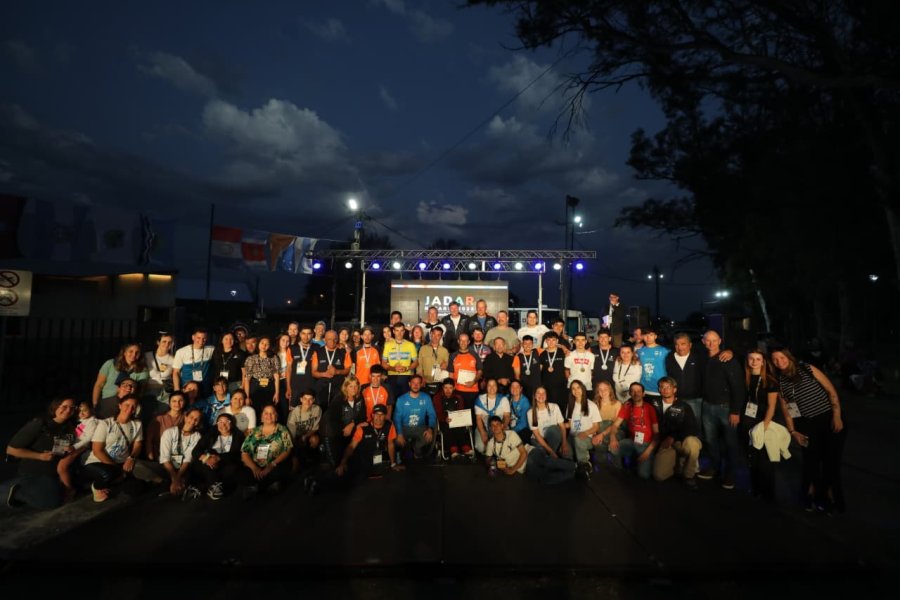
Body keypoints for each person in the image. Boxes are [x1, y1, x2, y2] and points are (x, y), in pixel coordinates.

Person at [771, 346, 846, 513]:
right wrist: (793, 431)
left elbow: (831, 391)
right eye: (775, 359)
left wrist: (837, 415)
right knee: (811, 462)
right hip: (805, 425)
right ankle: (812, 496)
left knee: (831, 463)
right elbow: (788, 410)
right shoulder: (780, 381)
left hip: (828, 419)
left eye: (782, 357)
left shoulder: (807, 368)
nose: (779, 362)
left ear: (789, 357)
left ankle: (832, 498)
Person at [5, 397, 76, 509]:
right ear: (55, 407)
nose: (68, 410)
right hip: (34, 472)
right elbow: (11, 450)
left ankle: (49, 489)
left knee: (68, 492)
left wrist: (69, 449)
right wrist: (40, 456)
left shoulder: (68, 427)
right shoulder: (39, 424)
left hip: (54, 472)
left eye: (72, 408)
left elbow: (59, 450)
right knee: (52, 502)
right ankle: (19, 492)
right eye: (64, 406)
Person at [697, 330, 745, 489]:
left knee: (730, 443)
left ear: (720, 341)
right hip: (707, 405)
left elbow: (738, 387)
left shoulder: (727, 359)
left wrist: (735, 411)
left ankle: (730, 474)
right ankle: (714, 468)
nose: (711, 343)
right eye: (708, 340)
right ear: (703, 342)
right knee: (710, 441)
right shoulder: (703, 358)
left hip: (726, 408)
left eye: (714, 340)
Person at [83, 395, 143, 502]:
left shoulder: (137, 424)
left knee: (136, 489)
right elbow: (97, 450)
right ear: (120, 405)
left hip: (122, 462)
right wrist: (118, 469)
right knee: (108, 474)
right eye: (127, 405)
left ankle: (114, 482)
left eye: (133, 406)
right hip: (98, 461)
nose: (130, 409)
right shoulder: (106, 423)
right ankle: (96, 486)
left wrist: (131, 457)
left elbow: (137, 444)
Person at [742, 350, 780, 501]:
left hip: (764, 421)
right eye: (751, 358)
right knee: (752, 457)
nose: (754, 362)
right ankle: (755, 489)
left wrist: (764, 426)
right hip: (748, 420)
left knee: (765, 458)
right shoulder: (745, 377)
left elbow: (772, 406)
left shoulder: (769, 381)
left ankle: (768, 493)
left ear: (763, 362)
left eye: (758, 359)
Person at [651, 377, 702, 487]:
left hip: (679, 441)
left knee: (693, 443)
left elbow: (691, 428)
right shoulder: (654, 403)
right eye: (662, 387)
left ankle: (689, 475)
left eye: (668, 387)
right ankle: (677, 462)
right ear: (659, 389)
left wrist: (673, 437)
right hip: (664, 443)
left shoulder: (684, 406)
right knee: (659, 475)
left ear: (674, 389)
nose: (665, 390)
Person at [146, 407, 203, 499]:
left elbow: (188, 459)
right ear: (186, 417)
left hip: (183, 469)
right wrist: (174, 478)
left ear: (199, 423)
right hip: (166, 468)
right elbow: (164, 457)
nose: (193, 421)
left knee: (186, 480)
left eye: (196, 419)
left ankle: (174, 486)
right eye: (191, 417)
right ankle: (165, 482)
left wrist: (178, 477)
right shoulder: (170, 432)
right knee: (138, 466)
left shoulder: (197, 436)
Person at [239, 405, 293, 497]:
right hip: (256, 466)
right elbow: (244, 453)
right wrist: (254, 467)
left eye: (272, 413)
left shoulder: (282, 430)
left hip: (274, 465)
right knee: (241, 473)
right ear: (262, 417)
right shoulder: (254, 431)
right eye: (266, 413)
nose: (269, 415)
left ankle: (257, 487)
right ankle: (266, 485)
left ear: (276, 417)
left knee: (284, 468)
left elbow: (287, 450)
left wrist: (271, 465)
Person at [609, 383, 659, 479]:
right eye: (633, 391)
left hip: (646, 444)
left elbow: (657, 434)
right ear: (630, 393)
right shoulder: (627, 406)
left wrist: (647, 452)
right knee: (613, 448)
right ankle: (619, 472)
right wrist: (612, 438)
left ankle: (642, 461)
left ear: (643, 394)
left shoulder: (650, 408)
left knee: (643, 475)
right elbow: (615, 425)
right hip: (632, 441)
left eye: (638, 391)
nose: (636, 393)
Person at [191, 412, 246, 500]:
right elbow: (196, 451)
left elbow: (237, 455)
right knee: (200, 464)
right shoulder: (211, 434)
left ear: (232, 424)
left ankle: (206, 487)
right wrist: (207, 459)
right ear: (216, 424)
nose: (223, 425)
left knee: (233, 468)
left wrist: (218, 458)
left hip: (227, 464)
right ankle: (214, 487)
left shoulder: (238, 436)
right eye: (220, 422)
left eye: (227, 422)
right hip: (210, 464)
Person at [664, 333, 706, 444]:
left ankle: (696, 451)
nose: (680, 347)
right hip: (677, 399)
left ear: (690, 345)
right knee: (677, 425)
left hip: (695, 399)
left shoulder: (698, 357)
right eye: (677, 344)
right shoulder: (669, 358)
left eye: (683, 344)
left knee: (696, 426)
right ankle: (679, 449)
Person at [324, 376, 367, 466]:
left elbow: (362, 416)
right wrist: (344, 429)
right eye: (350, 386)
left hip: (350, 430)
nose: (354, 389)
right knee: (336, 465)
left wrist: (353, 424)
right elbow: (332, 421)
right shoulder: (338, 400)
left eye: (355, 386)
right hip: (334, 433)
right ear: (345, 387)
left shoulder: (359, 397)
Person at [393, 375, 438, 460]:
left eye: (418, 383)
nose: (416, 385)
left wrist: (430, 429)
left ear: (421, 384)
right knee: (397, 441)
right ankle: (405, 450)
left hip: (420, 427)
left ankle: (416, 449)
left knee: (428, 438)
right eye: (413, 383)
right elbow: (397, 418)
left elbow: (432, 414)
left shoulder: (426, 398)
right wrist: (399, 434)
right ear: (409, 384)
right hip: (404, 427)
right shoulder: (401, 399)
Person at [92, 342, 149, 408]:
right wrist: (95, 403)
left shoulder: (142, 369)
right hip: (107, 401)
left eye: (137, 352)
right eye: (131, 351)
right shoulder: (110, 364)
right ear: (124, 352)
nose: (134, 354)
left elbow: (141, 390)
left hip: (127, 405)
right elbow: (99, 385)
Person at [562, 380, 599, 478]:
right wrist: (559, 426)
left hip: (587, 438)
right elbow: (570, 424)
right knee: (565, 454)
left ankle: (585, 464)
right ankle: (574, 466)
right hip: (572, 437)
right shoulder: (570, 405)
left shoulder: (591, 405)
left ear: (583, 389)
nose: (576, 391)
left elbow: (596, 426)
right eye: (573, 389)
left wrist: (585, 433)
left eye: (578, 387)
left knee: (578, 439)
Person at [433, 378, 473, 458]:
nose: (448, 390)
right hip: (443, 420)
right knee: (447, 427)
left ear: (454, 388)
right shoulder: (437, 397)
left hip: (456, 419)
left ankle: (465, 447)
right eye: (446, 388)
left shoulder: (458, 397)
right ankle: (453, 449)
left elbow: (461, 410)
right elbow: (438, 412)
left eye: (450, 388)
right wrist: (445, 418)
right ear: (442, 388)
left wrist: (460, 418)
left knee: (460, 427)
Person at [312, 330, 352, 409]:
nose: (332, 341)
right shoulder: (318, 352)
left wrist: (337, 371)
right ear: (325, 340)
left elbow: (348, 370)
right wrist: (324, 374)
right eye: (329, 339)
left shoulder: (343, 352)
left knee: (337, 410)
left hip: (338, 388)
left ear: (337, 339)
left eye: (335, 339)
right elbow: (313, 373)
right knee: (321, 411)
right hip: (321, 389)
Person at [243, 336, 281, 418]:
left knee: (269, 411)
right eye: (262, 343)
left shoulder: (274, 357)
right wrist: (247, 396)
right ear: (258, 344)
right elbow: (247, 379)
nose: (264, 346)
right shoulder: (251, 358)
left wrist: (277, 393)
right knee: (255, 411)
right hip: (255, 387)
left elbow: (276, 376)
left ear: (270, 346)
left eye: (267, 344)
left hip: (269, 387)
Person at [526, 387, 568, 458]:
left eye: (543, 393)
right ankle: (552, 456)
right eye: (538, 393)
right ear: (535, 396)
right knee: (543, 453)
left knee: (567, 454)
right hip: (539, 440)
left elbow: (562, 427)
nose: (541, 395)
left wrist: (564, 443)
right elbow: (536, 434)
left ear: (546, 395)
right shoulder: (530, 412)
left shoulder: (554, 407)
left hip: (554, 438)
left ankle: (552, 456)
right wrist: (551, 452)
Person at [591, 381, 624, 468]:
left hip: (614, 431)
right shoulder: (594, 404)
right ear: (597, 392)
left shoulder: (618, 404)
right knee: (601, 459)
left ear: (610, 390)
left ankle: (617, 465)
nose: (603, 392)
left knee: (613, 445)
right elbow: (592, 422)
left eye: (605, 389)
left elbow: (616, 424)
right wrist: (594, 435)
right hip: (599, 431)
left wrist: (602, 434)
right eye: (600, 389)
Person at [286, 389, 322, 472]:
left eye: (310, 399)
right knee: (295, 446)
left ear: (314, 400)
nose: (307, 402)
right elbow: (291, 435)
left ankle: (312, 462)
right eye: (305, 399)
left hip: (308, 435)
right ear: (301, 399)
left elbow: (315, 428)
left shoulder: (317, 409)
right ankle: (295, 464)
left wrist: (305, 436)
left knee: (315, 439)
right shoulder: (294, 413)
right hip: (296, 437)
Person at [172, 327, 215, 395]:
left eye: (204, 338)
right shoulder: (181, 352)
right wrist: (177, 390)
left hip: (204, 389)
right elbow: (175, 372)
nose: (201, 341)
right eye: (198, 338)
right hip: (188, 390)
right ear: (193, 337)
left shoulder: (210, 350)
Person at [382, 322, 418, 399]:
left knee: (406, 401)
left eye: (401, 330)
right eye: (397, 330)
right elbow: (383, 363)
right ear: (393, 331)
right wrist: (393, 368)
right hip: (392, 377)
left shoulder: (410, 345)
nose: (399, 333)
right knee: (392, 401)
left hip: (406, 377)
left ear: (404, 331)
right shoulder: (387, 345)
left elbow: (416, 362)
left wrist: (407, 368)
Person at [473, 379, 511, 454]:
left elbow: (507, 416)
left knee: (505, 445)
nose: (492, 388)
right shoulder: (480, 399)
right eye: (489, 385)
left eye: (494, 385)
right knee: (481, 447)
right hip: (484, 425)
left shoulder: (503, 399)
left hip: (500, 425)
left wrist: (502, 429)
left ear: (497, 387)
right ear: (486, 387)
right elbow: (478, 418)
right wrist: (483, 432)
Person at [145, 391, 185, 461]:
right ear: (169, 403)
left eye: (180, 401)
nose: (177, 404)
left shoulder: (187, 418)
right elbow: (149, 439)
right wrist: (151, 458)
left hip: (178, 457)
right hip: (159, 456)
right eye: (174, 401)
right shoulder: (159, 417)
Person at [448, 332, 482, 408]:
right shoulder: (453, 356)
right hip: (457, 390)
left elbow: (480, 372)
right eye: (461, 340)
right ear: (458, 341)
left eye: (465, 341)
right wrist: (451, 388)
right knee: (459, 412)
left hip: (472, 390)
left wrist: (474, 381)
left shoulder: (474, 355)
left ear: (468, 342)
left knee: (470, 413)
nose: (463, 343)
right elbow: (451, 373)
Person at [636, 326, 669, 404]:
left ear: (655, 336)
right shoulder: (639, 351)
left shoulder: (664, 351)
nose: (648, 337)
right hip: (644, 389)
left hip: (660, 389)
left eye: (651, 335)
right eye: (645, 335)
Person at [287, 324, 316, 409]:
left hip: (311, 386)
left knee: (310, 411)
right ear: (300, 334)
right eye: (303, 333)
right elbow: (288, 369)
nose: (306, 336)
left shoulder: (317, 348)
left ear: (312, 335)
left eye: (309, 334)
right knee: (293, 412)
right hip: (295, 386)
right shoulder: (292, 348)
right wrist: (288, 387)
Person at [417, 326, 450, 396]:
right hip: (425, 382)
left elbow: (447, 365)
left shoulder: (445, 351)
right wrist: (421, 378)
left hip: (439, 382)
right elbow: (419, 365)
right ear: (431, 334)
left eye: (438, 335)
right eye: (434, 334)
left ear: (441, 336)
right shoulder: (423, 348)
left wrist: (445, 365)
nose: (435, 337)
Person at [145, 332, 175, 408]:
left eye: (170, 342)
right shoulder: (147, 356)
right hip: (148, 392)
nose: (167, 344)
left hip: (164, 393)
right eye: (164, 341)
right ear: (158, 342)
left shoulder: (173, 359)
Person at [539, 332, 568, 408]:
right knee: (549, 408)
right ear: (546, 341)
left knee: (562, 408)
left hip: (562, 386)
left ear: (557, 341)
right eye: (549, 340)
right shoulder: (542, 355)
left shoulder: (563, 352)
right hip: (547, 387)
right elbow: (540, 371)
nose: (551, 342)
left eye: (553, 340)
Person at [516, 335, 542, 401]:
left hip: (537, 385)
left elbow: (550, 348)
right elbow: (517, 376)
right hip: (525, 387)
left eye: (530, 343)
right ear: (522, 345)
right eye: (525, 343)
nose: (528, 345)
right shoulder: (518, 357)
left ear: (533, 344)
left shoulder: (538, 351)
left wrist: (564, 348)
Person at [507, 380, 532, 445]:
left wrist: (511, 432)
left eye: (517, 387)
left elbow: (524, 423)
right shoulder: (507, 398)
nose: (514, 389)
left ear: (521, 389)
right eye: (512, 386)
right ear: (510, 388)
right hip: (509, 427)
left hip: (522, 430)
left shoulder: (525, 401)